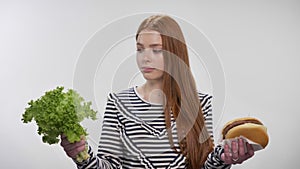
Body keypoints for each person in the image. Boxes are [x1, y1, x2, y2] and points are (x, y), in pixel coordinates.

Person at [60, 14, 255, 169]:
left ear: (174, 52)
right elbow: (108, 166)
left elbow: (204, 166)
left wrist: (223, 160)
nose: (145, 58)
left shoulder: (200, 103)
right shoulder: (118, 103)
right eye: (140, 49)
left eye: (156, 49)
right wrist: (82, 156)